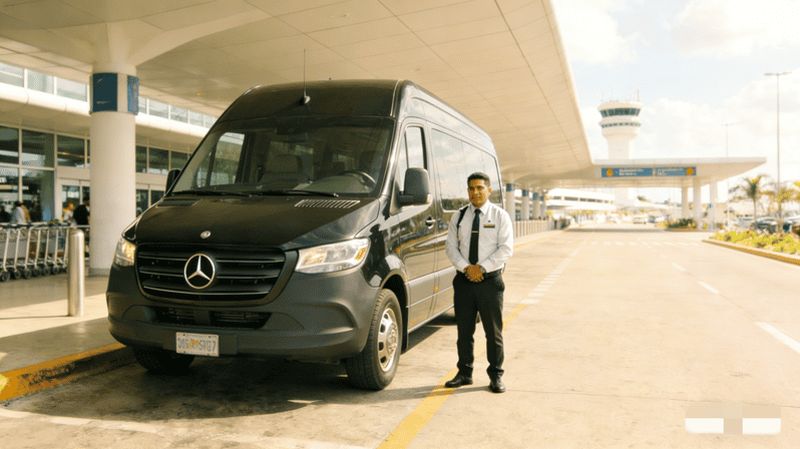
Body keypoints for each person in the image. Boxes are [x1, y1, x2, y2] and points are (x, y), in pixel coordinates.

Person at [444, 172, 513, 393]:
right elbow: (451, 247)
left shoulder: (500, 216)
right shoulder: (459, 216)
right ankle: (464, 373)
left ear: (489, 190)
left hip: (490, 283)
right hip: (464, 281)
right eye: (471, 188)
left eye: (480, 188)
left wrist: (481, 268)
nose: (475, 192)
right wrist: (467, 268)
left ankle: (496, 375)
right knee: (464, 332)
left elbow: (506, 248)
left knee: (493, 333)